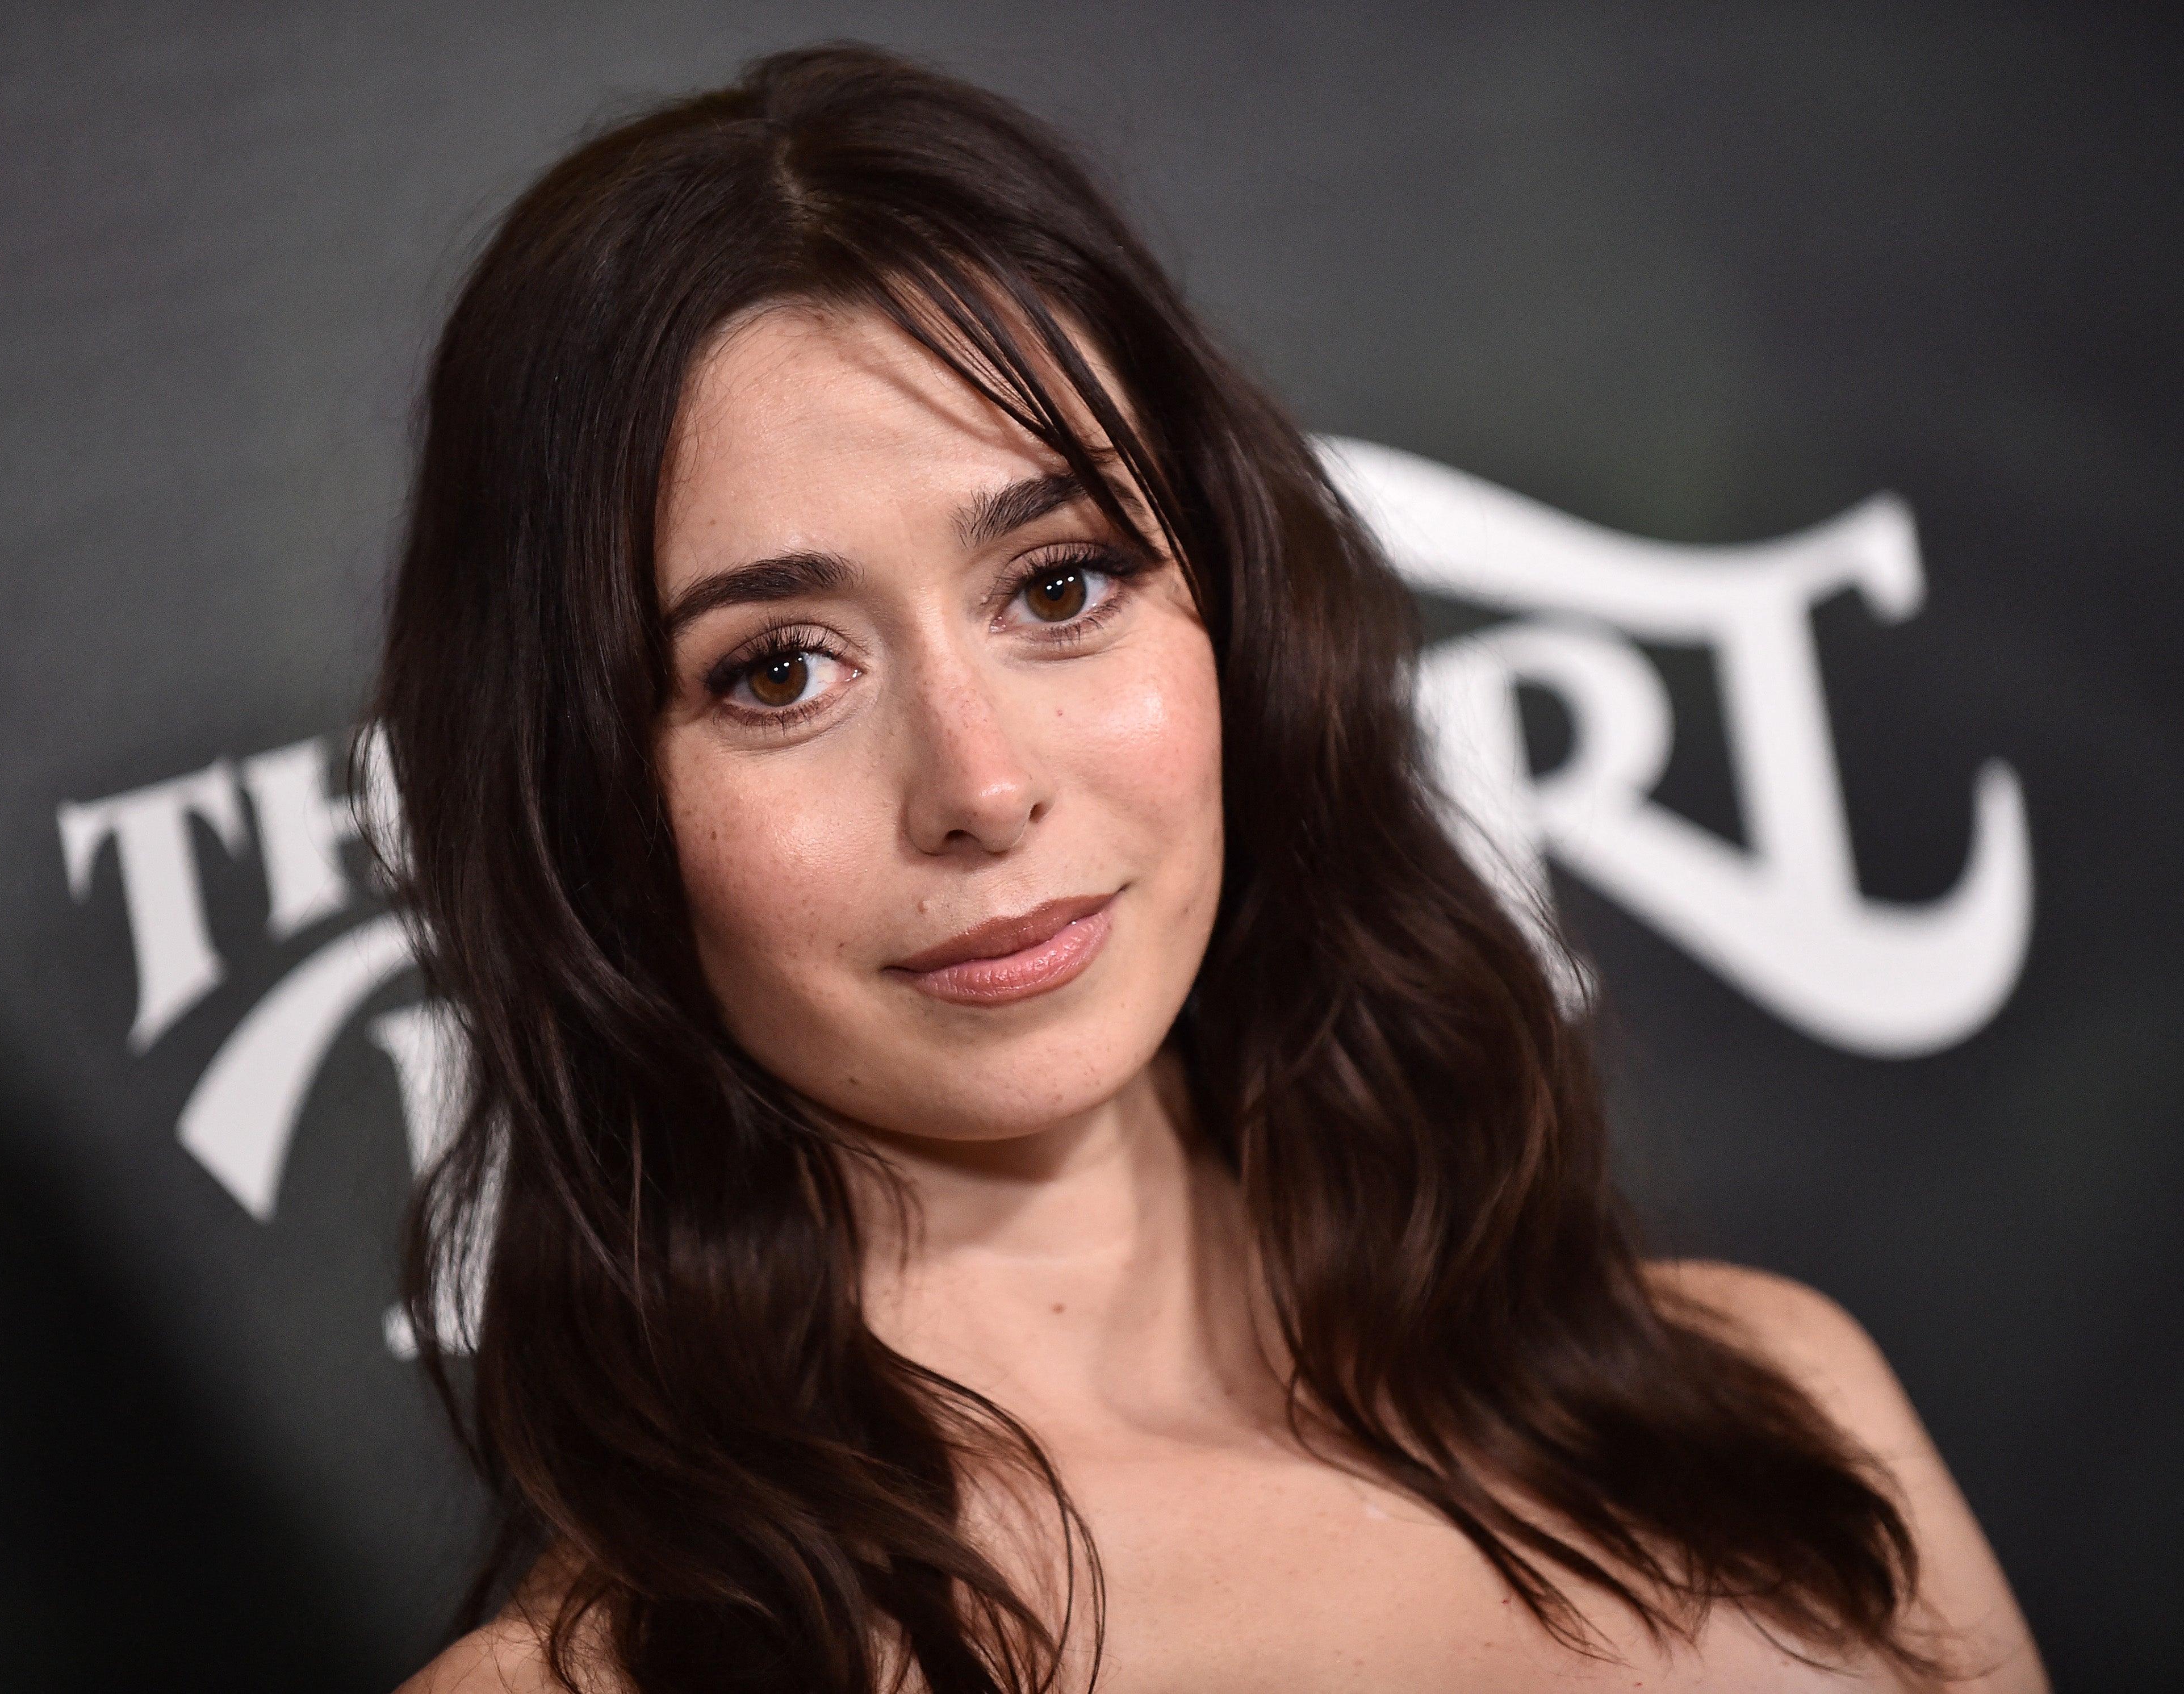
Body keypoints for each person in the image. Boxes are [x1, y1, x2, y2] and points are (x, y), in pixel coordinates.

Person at [383, 43, 2043, 1694]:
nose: (983, 784)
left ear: (1235, 610)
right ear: (577, 805)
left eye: (1056, 586)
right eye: (779, 671)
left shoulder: (1779, 1401)